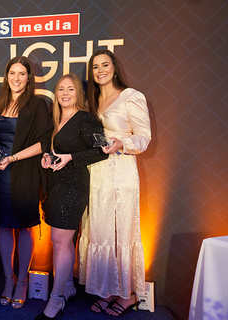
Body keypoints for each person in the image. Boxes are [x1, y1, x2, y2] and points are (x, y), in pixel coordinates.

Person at [78, 49, 152, 316]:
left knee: (122, 232)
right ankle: (108, 291)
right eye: (95, 67)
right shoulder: (92, 100)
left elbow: (144, 137)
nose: (100, 70)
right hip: (97, 173)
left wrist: (123, 142)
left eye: (105, 65)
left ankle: (127, 295)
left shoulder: (131, 96)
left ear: (114, 68)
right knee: (101, 231)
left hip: (121, 171)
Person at [35, 74, 108, 319]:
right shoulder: (55, 118)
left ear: (78, 93)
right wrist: (49, 158)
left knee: (60, 240)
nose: (65, 93)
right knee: (60, 241)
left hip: (74, 185)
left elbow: (102, 150)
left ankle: (55, 302)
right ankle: (67, 288)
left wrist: (71, 158)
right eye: (60, 89)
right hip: (55, 184)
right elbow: (55, 151)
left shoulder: (85, 118)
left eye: (71, 89)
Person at [0, 56, 53, 309]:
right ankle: (8, 280)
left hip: (24, 172)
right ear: (7, 76)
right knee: (4, 227)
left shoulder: (37, 104)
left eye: (22, 73)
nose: (16, 78)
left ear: (29, 78)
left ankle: (23, 281)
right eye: (12, 73)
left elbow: (44, 142)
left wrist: (13, 158)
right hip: (0, 174)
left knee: (25, 226)